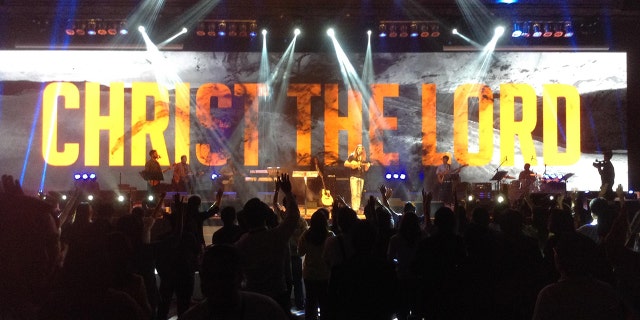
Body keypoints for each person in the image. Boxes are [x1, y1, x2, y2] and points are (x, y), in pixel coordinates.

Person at [180, 245, 289, 320]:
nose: (217, 283)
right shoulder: (267, 309)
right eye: (210, 275)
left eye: (223, 276)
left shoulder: (193, 316)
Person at [344, 144, 370, 211]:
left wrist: (367, 166)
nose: (359, 150)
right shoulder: (352, 156)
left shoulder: (364, 158)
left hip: (361, 177)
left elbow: (366, 169)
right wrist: (352, 165)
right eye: (358, 148)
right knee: (354, 193)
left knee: (359, 194)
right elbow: (345, 163)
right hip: (354, 177)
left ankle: (357, 208)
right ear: (356, 149)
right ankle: (354, 209)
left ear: (362, 150)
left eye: (360, 149)